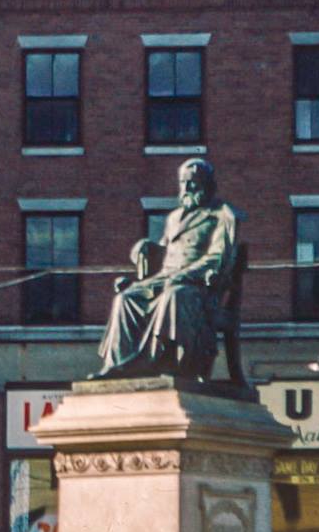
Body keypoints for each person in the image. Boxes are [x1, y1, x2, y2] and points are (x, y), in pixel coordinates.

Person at [92, 157, 240, 382]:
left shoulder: (222, 215)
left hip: (198, 286)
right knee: (126, 298)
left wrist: (185, 274)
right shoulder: (173, 218)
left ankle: (171, 362)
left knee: (174, 295)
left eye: (193, 182)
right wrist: (145, 248)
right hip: (165, 277)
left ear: (207, 184)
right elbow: (165, 249)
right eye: (183, 182)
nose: (188, 188)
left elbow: (217, 257)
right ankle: (119, 364)